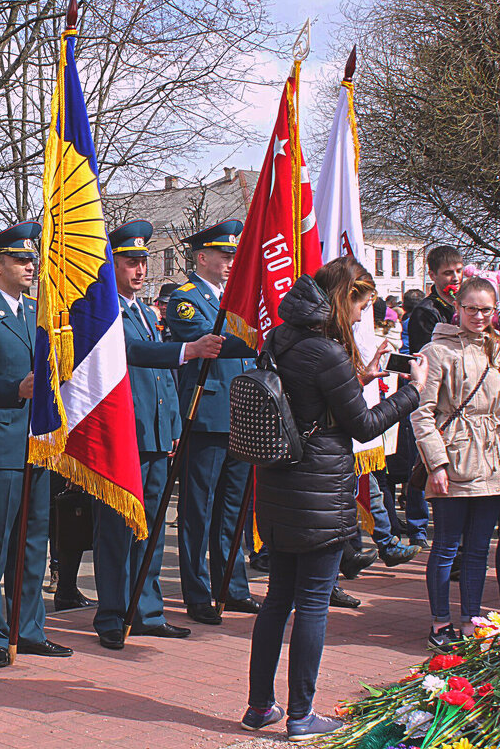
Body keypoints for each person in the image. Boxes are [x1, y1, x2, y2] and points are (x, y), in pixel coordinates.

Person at [242, 258, 424, 743]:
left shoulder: (282, 336)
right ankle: (302, 715)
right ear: (346, 299)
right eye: (363, 306)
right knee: (314, 604)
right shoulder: (326, 351)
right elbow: (362, 426)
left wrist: (357, 379)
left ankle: (260, 706)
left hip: (279, 481)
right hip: (319, 487)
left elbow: (304, 400)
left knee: (277, 600)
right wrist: (411, 393)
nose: (365, 316)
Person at [93, 221, 224, 648]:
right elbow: (133, 354)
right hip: (124, 434)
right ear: (110, 265)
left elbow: (163, 380)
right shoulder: (102, 310)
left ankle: (146, 609)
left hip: (152, 433)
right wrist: (188, 349)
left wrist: (169, 428)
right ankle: (113, 614)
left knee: (149, 527)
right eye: (130, 262)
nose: (140, 270)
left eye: (143, 262)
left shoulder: (145, 312)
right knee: (117, 528)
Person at [0, 221, 71, 668]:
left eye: (32, 259)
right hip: (1, 445)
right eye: (21, 260)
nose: (30, 266)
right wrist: (15, 389)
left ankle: (29, 627)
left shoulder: (36, 313)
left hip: (37, 443)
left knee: (33, 540)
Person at [411, 275, 500, 650]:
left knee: (477, 548)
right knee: (446, 547)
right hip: (456, 456)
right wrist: (436, 464)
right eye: (470, 308)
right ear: (457, 308)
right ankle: (441, 623)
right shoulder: (437, 351)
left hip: (496, 459)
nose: (477, 315)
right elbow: (421, 413)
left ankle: (473, 621)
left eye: (485, 309)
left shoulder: (497, 347)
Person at [165, 219, 259, 625]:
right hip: (206, 415)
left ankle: (231, 587)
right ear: (201, 257)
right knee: (198, 510)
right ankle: (198, 592)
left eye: (233, 257)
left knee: (234, 509)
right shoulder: (185, 299)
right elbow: (213, 344)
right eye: (224, 256)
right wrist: (264, 333)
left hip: (242, 414)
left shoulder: (240, 299)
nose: (230, 263)